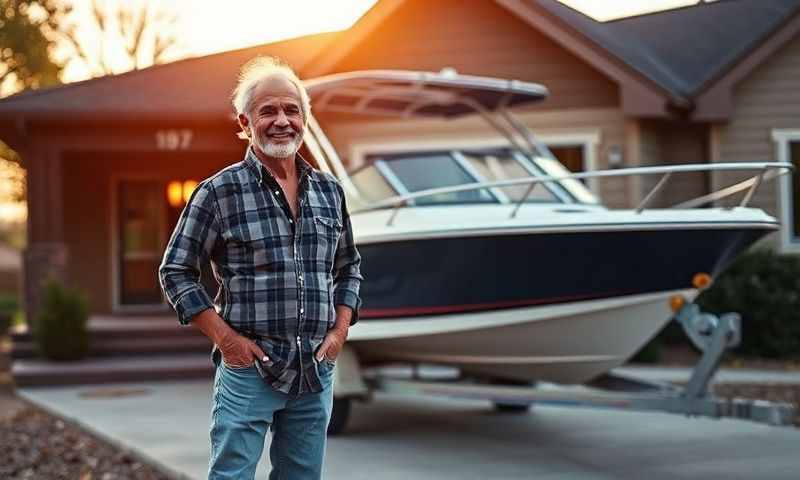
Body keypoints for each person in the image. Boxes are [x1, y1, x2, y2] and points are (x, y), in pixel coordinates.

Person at [158, 55, 363, 480]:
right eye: (267, 110)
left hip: (315, 370)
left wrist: (339, 333)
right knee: (232, 475)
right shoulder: (217, 193)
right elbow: (175, 270)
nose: (281, 120)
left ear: (304, 118)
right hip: (249, 369)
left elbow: (349, 266)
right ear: (245, 121)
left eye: (291, 109)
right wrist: (228, 342)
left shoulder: (329, 191)